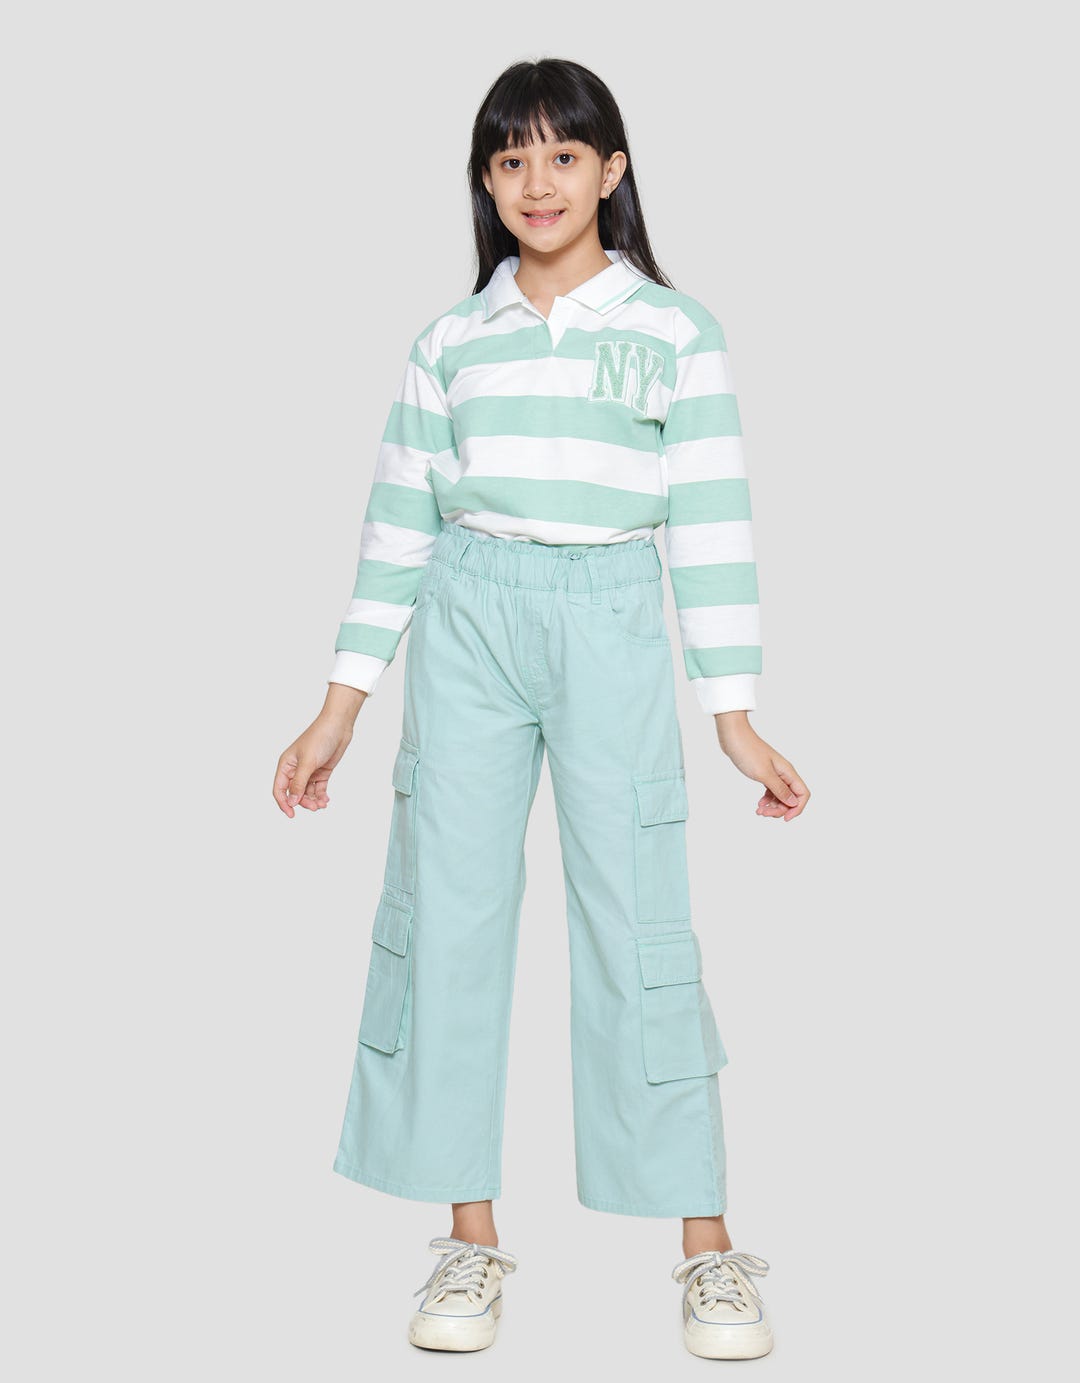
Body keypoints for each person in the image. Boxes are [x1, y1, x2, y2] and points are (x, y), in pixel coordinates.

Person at [274, 56, 809, 1361]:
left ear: (612, 171)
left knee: (638, 916)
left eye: (563, 154)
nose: (537, 181)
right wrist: (341, 703)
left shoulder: (676, 331)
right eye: (509, 158)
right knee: (448, 914)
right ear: (485, 181)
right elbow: (396, 527)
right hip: (468, 615)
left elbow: (712, 526)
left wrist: (732, 711)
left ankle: (706, 1245)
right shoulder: (451, 342)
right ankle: (468, 1233)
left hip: (611, 618)